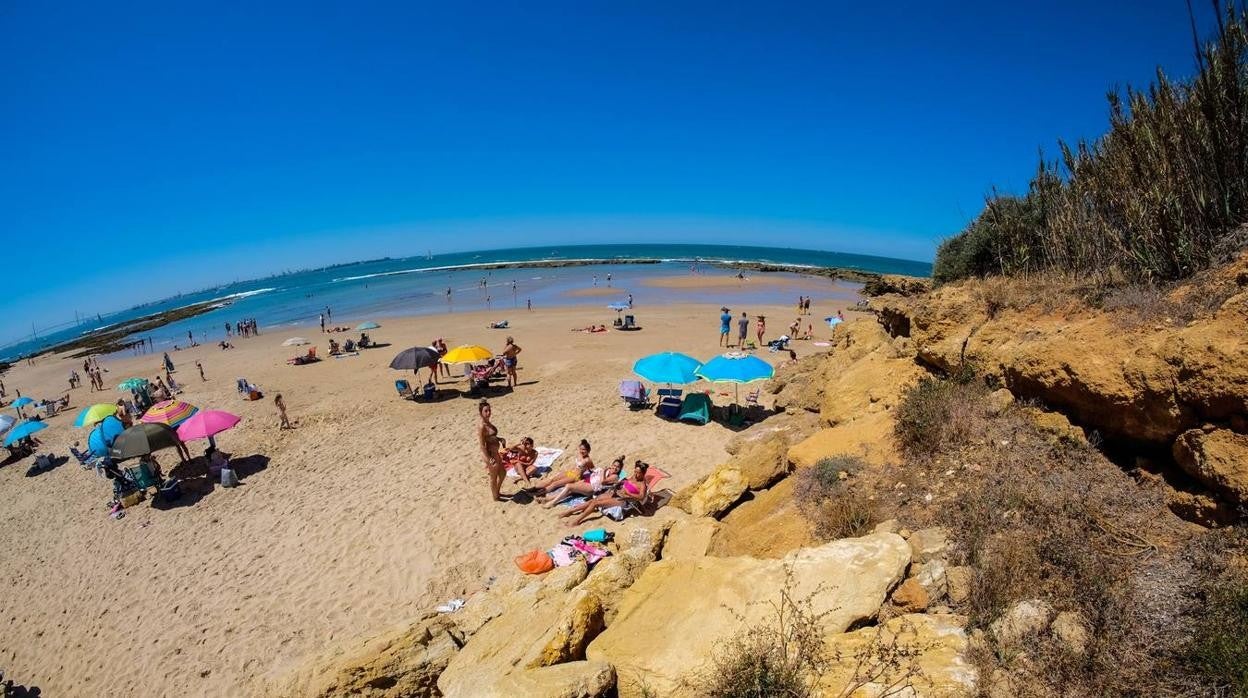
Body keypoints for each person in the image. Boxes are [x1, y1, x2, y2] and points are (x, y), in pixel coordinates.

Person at [562, 460, 651, 525]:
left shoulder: (642, 484)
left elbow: (641, 497)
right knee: (594, 499)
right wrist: (621, 483)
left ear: (643, 473)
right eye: (635, 471)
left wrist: (628, 493)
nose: (635, 474)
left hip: (623, 500)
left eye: (638, 473)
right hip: (617, 493)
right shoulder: (634, 477)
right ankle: (571, 511)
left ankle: (576, 521)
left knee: (596, 504)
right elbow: (627, 482)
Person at [544, 456, 624, 508]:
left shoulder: (615, 476)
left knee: (569, 486)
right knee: (570, 490)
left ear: (620, 469)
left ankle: (553, 503)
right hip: (589, 480)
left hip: (592, 487)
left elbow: (603, 482)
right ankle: (549, 498)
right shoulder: (609, 470)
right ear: (612, 464)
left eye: (617, 467)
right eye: (614, 465)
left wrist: (604, 471)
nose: (615, 468)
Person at [477, 400, 508, 502]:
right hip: (489, 454)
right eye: (486, 411)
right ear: (481, 412)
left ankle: (496, 491)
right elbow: (482, 445)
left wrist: (499, 439)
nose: (488, 413)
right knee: (493, 477)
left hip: (495, 453)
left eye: (489, 410)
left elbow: (491, 437)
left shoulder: (488, 423)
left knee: (503, 473)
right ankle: (495, 497)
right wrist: (489, 459)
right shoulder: (482, 427)